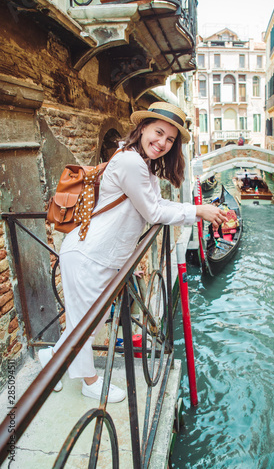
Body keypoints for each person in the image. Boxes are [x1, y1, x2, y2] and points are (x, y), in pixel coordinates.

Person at [38, 102, 226, 403]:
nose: (162, 143)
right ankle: (90, 382)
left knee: (88, 320)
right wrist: (197, 210)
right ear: (143, 128)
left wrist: (196, 211)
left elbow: (153, 206)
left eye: (169, 140)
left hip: (102, 256)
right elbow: (153, 211)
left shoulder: (141, 163)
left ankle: (51, 359)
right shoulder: (130, 162)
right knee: (86, 323)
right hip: (88, 255)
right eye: (158, 133)